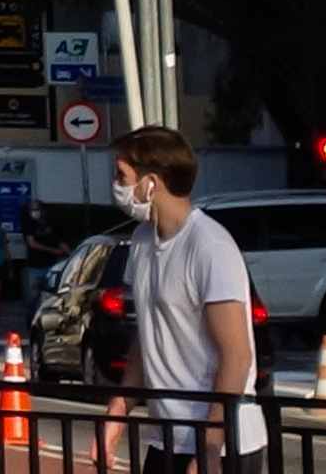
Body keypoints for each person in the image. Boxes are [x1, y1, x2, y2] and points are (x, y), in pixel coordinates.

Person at [99, 126, 265, 470]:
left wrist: (210, 447)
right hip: (167, 436)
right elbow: (147, 337)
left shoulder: (209, 246)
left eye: (122, 175)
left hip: (223, 442)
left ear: (151, 183)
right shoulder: (142, 241)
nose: (117, 186)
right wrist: (119, 408)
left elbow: (236, 355)